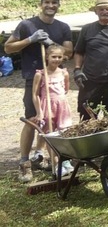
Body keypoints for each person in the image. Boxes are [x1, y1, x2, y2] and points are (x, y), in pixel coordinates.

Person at [3, 0, 72, 183]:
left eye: (54, 3)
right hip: (33, 78)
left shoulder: (63, 27)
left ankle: (47, 157)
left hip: (54, 80)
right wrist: (30, 40)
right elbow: (8, 47)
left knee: (52, 120)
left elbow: (69, 52)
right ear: (41, 4)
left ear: (58, 5)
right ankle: (24, 163)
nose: (51, 6)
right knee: (34, 119)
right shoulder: (27, 25)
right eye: (47, 2)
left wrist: (51, 43)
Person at [32, 44, 74, 177]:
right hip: (47, 106)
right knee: (50, 136)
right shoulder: (41, 74)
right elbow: (35, 94)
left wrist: (59, 101)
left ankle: (66, 162)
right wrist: (39, 112)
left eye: (59, 57)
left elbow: (66, 89)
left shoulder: (64, 73)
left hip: (62, 106)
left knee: (63, 134)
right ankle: (56, 164)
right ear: (47, 57)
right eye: (53, 56)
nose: (56, 59)